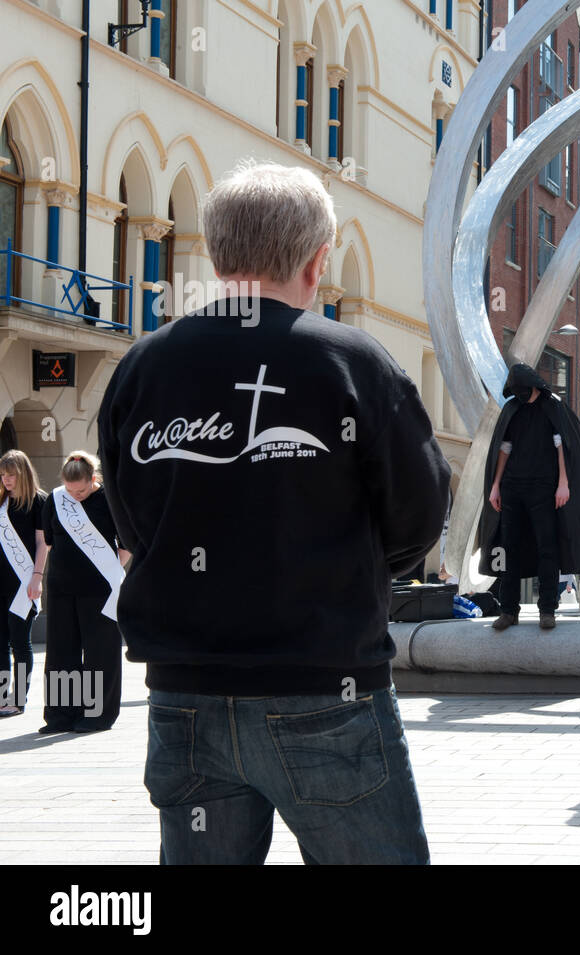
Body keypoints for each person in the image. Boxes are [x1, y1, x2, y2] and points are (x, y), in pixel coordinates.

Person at [98, 160, 450, 864]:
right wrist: (345, 572)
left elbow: (131, 518)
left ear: (216, 250)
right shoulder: (354, 362)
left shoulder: (142, 368)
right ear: (319, 262)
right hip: (327, 689)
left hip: (185, 696)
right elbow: (419, 516)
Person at [480, 364, 580, 632]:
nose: (520, 395)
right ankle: (508, 610)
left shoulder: (553, 407)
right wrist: (496, 485)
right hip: (512, 487)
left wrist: (563, 483)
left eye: (522, 390)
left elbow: (563, 446)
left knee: (548, 549)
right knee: (509, 548)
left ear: (533, 385)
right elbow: (504, 447)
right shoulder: (512, 408)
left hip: (544, 488)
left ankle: (547, 609)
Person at [33, 452, 129, 733]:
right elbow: (49, 541)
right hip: (62, 588)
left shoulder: (110, 499)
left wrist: (109, 571)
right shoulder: (56, 499)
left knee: (100, 653)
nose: (75, 495)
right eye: (71, 490)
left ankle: (96, 714)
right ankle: (61, 715)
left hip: (100, 590)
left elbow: (126, 544)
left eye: (83, 490)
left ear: (94, 479)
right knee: (61, 653)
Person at [0, 450, 48, 717]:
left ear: (23, 473)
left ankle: (18, 700)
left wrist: (37, 577)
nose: (7, 480)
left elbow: (43, 543)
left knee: (20, 642)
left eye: (11, 475)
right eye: (3, 475)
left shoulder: (39, 502)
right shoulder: (1, 503)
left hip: (23, 583)